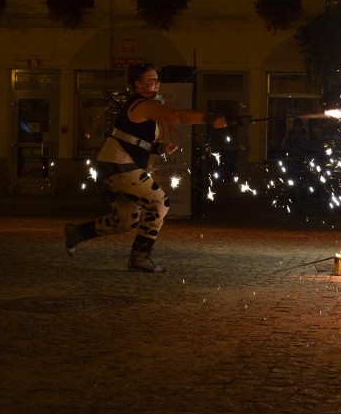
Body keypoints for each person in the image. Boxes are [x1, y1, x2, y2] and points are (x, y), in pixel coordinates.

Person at [64, 63, 227, 272]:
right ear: (137, 85)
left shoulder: (141, 105)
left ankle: (78, 233)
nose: (156, 83)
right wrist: (210, 118)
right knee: (160, 202)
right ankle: (140, 257)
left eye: (157, 80)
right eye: (151, 80)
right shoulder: (142, 104)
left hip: (112, 166)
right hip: (119, 166)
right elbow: (177, 116)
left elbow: (132, 138)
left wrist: (159, 147)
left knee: (125, 222)